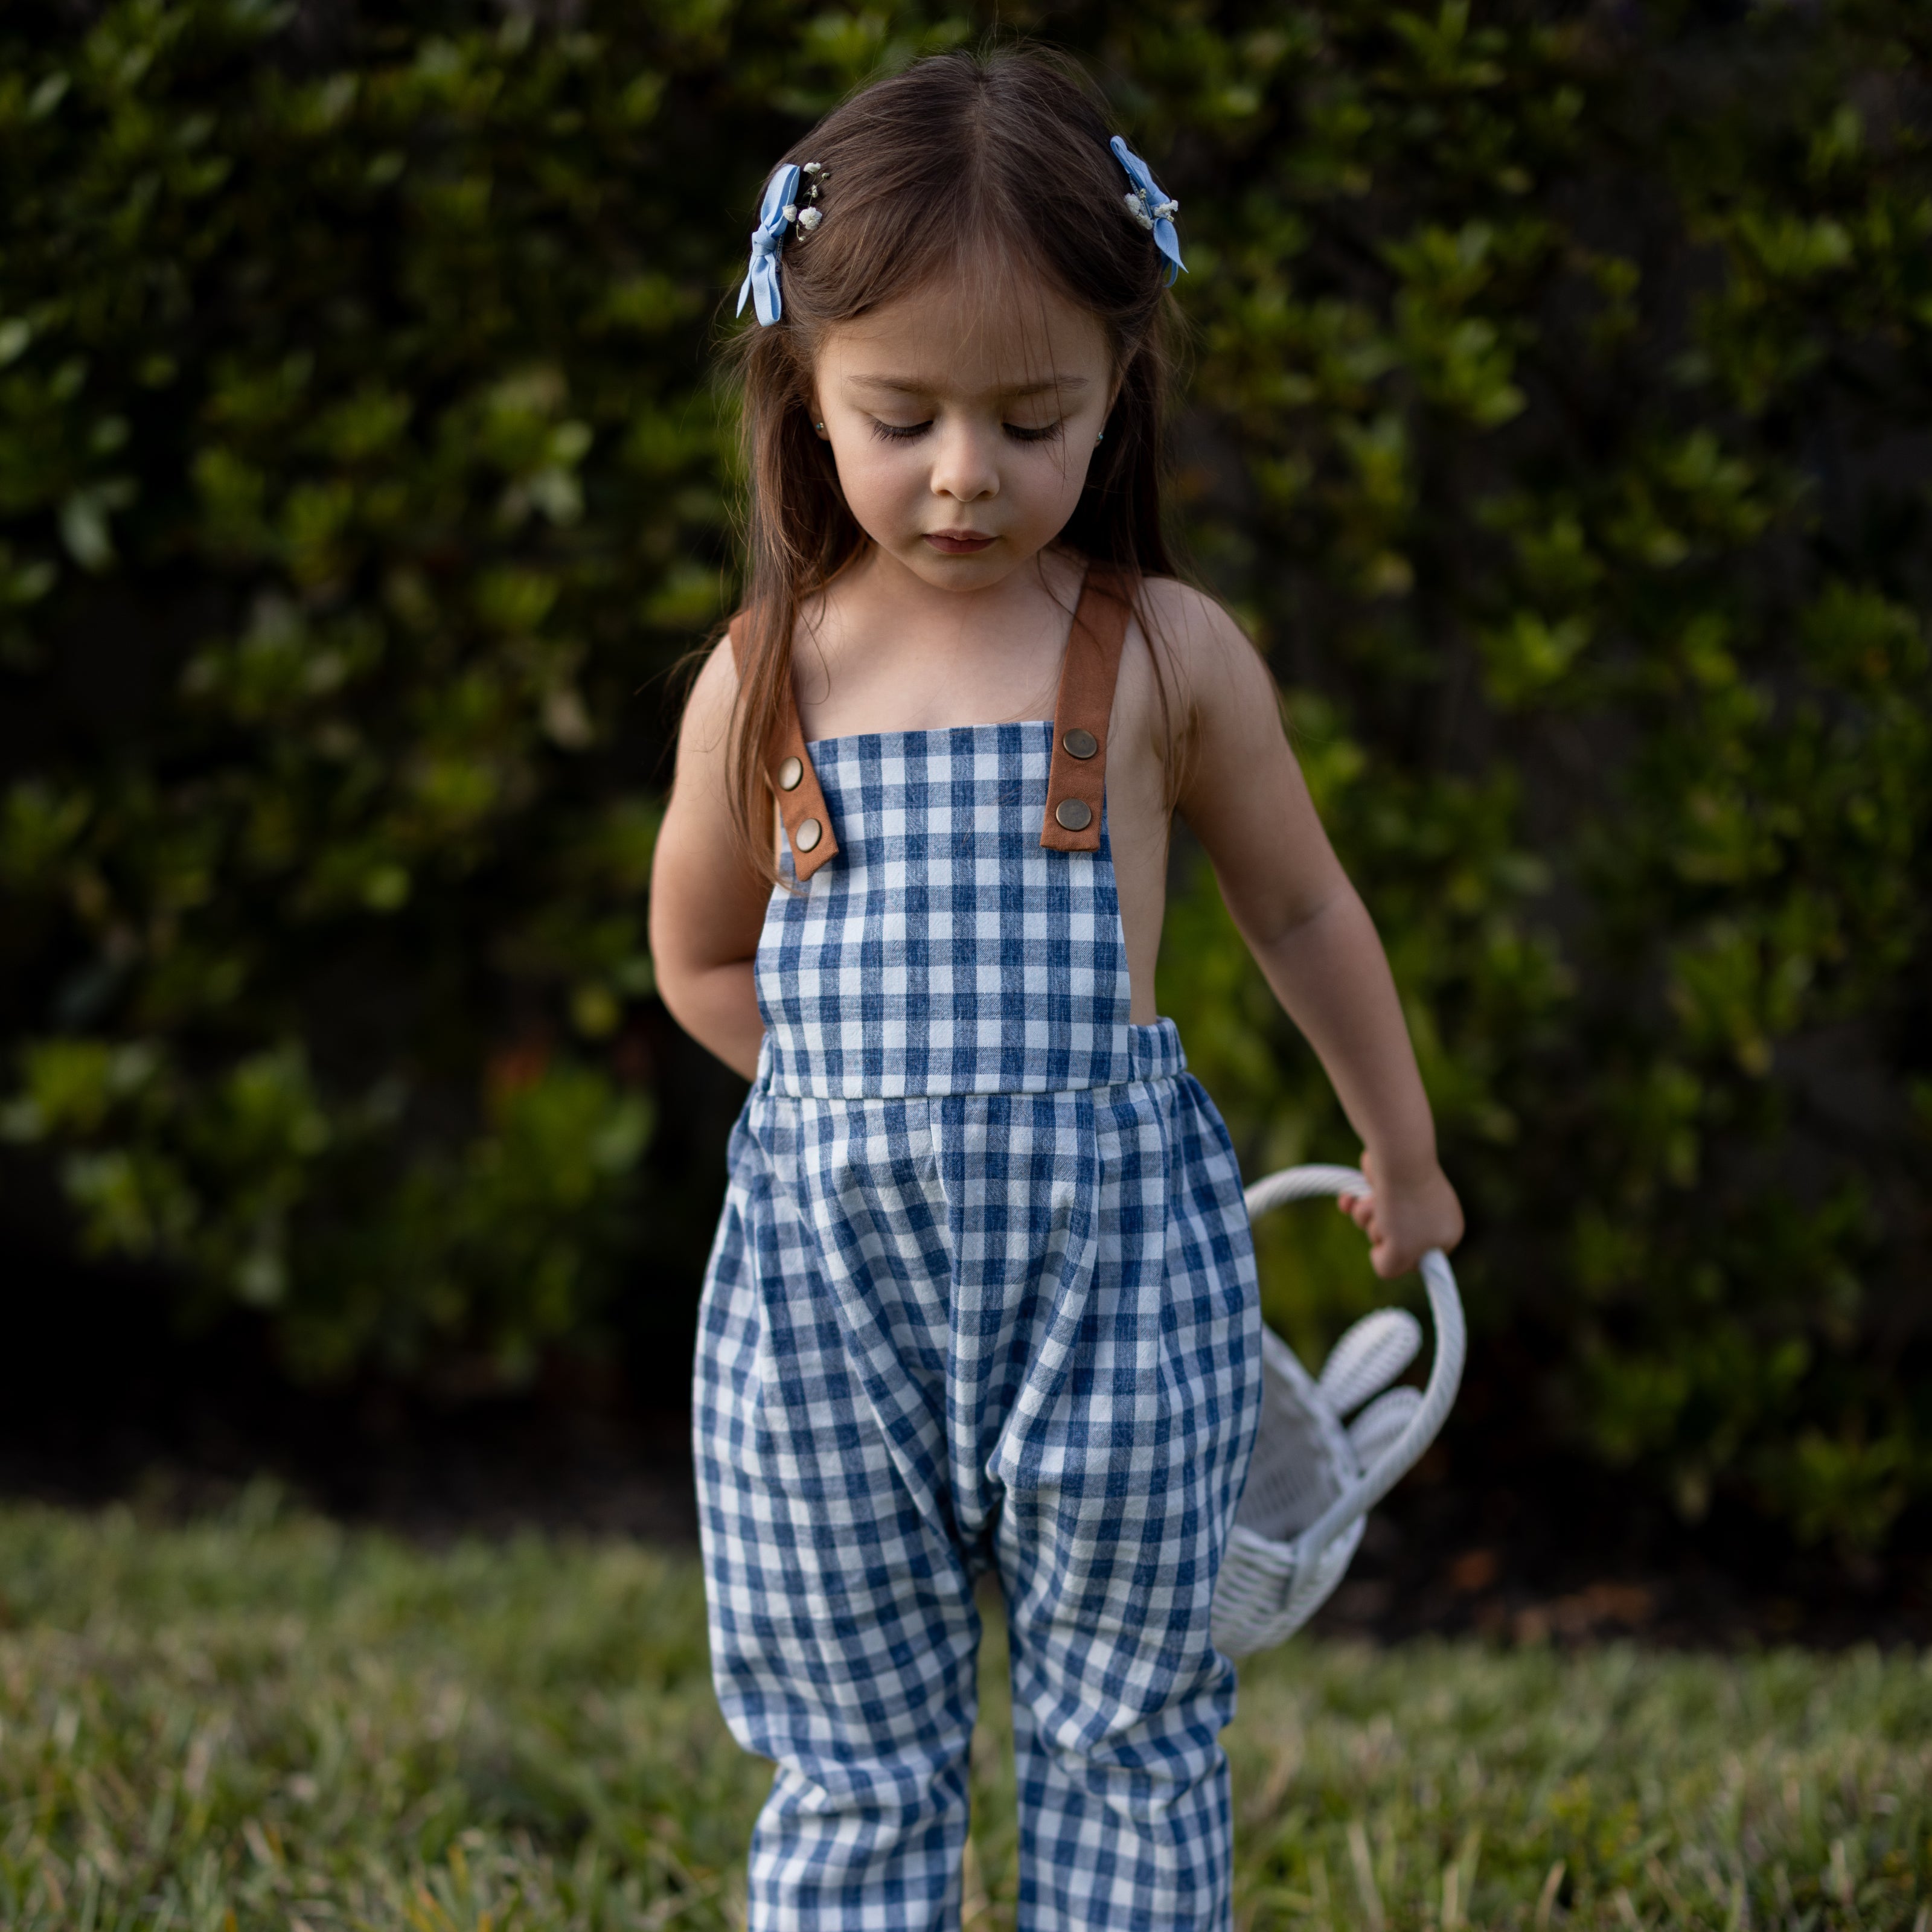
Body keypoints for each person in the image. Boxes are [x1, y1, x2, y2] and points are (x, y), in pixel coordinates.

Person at [648, 46, 1463, 1932]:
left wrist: (1403, 1152)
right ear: (804, 389)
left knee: (1130, 1722)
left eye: (1032, 420)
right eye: (902, 416)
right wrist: (852, 1100)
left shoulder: (1166, 653)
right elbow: (698, 956)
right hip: (826, 1310)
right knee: (850, 1744)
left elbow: (1304, 911)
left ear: (1118, 385)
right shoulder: (764, 678)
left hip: (1116, 1287)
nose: (964, 473)